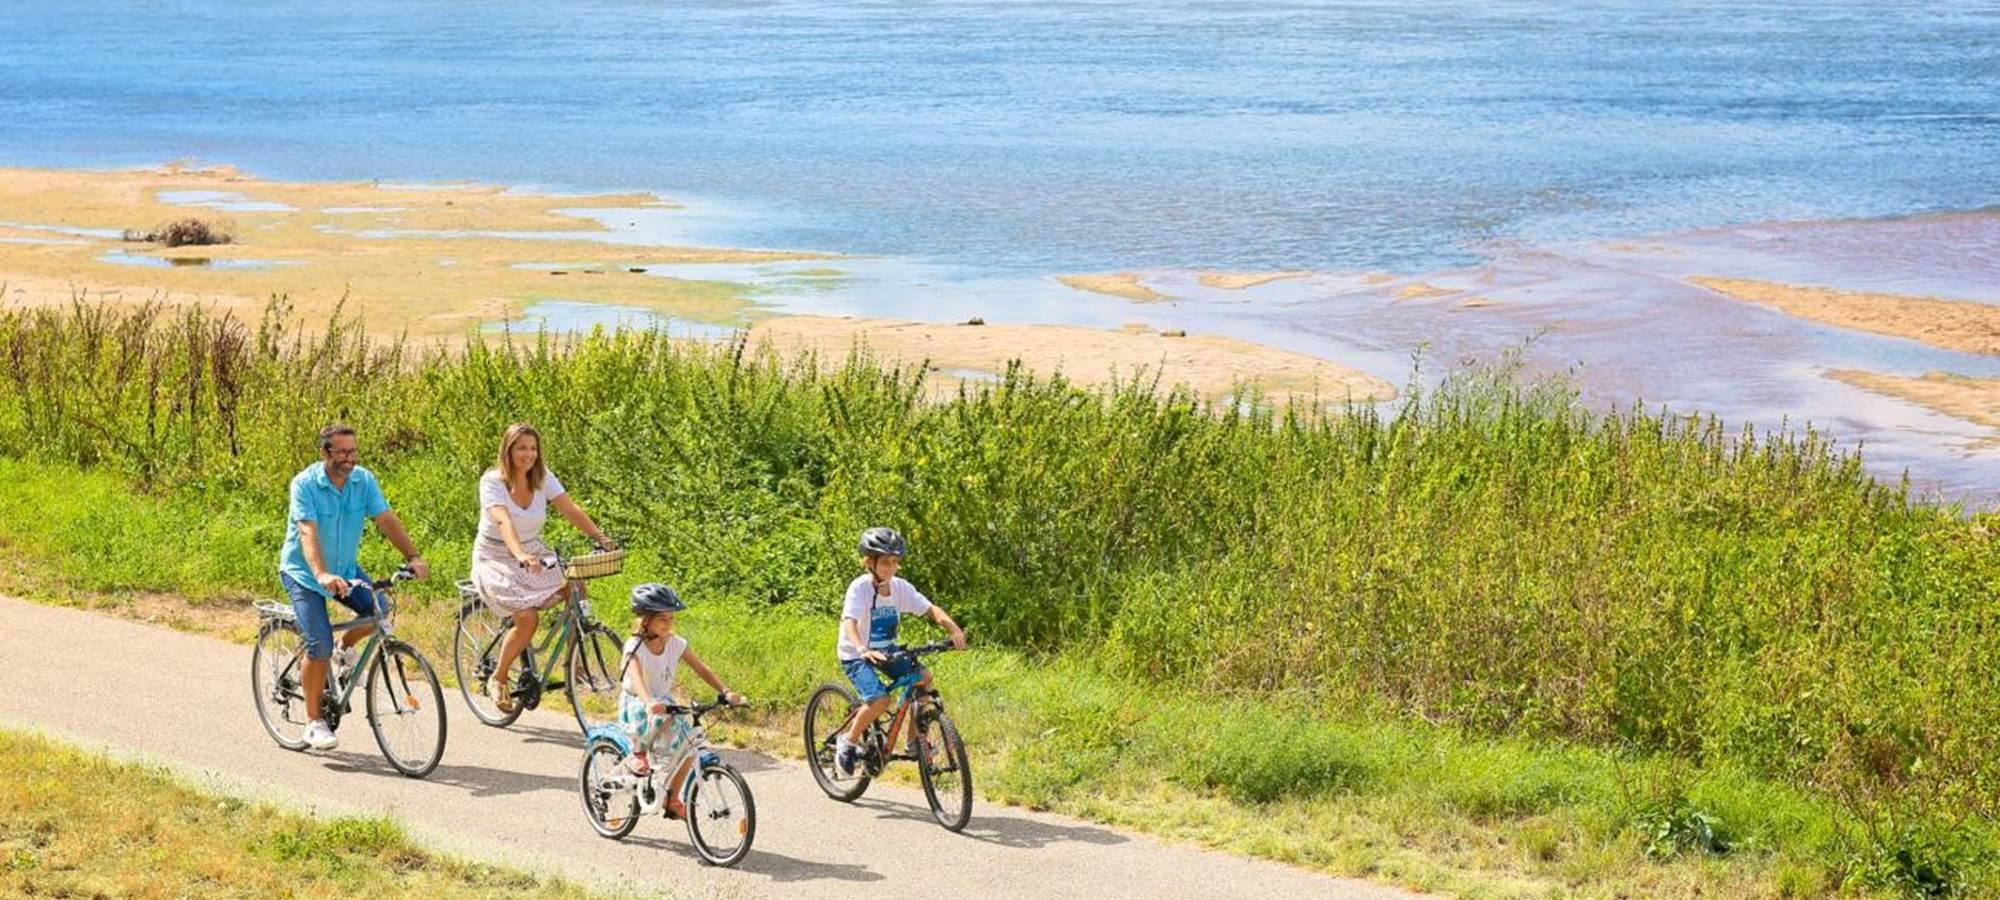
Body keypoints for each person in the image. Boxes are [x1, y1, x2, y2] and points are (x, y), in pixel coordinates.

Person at [278, 423, 430, 751]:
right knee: (317, 644)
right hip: (304, 574)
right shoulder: (305, 484)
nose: (350, 458)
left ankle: (344, 650)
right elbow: (307, 531)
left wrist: (412, 555)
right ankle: (314, 722)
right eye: (342, 452)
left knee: (379, 612)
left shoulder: (363, 480)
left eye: (353, 451)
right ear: (325, 453)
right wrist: (320, 574)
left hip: (345, 570)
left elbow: (385, 518)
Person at [469, 422, 614, 713]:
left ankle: (575, 668)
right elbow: (502, 521)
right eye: (521, 448)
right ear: (508, 450)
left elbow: (569, 508)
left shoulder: (542, 477)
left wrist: (600, 537)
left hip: (533, 551)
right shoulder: (493, 481)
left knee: (576, 587)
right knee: (527, 617)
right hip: (496, 555)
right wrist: (519, 553)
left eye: (533, 448)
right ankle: (498, 678)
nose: (529, 454)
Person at [834, 526, 965, 777]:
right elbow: (849, 622)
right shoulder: (859, 588)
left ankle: (913, 740)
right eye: (885, 562)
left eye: (895, 562)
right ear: (869, 562)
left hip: (887, 651)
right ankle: (847, 742)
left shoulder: (900, 588)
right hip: (855, 652)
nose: (890, 568)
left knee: (922, 678)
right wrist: (862, 648)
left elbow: (930, 609)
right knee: (881, 700)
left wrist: (953, 629)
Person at [621, 582, 746, 819]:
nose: (669, 624)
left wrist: (725, 691)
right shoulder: (633, 646)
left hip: (662, 704)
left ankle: (672, 797)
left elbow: (701, 668)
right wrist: (648, 702)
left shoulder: (675, 643)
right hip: (637, 703)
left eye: (671, 618)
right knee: (655, 719)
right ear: (646, 621)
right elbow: (636, 678)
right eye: (662, 619)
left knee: (690, 744)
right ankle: (637, 753)